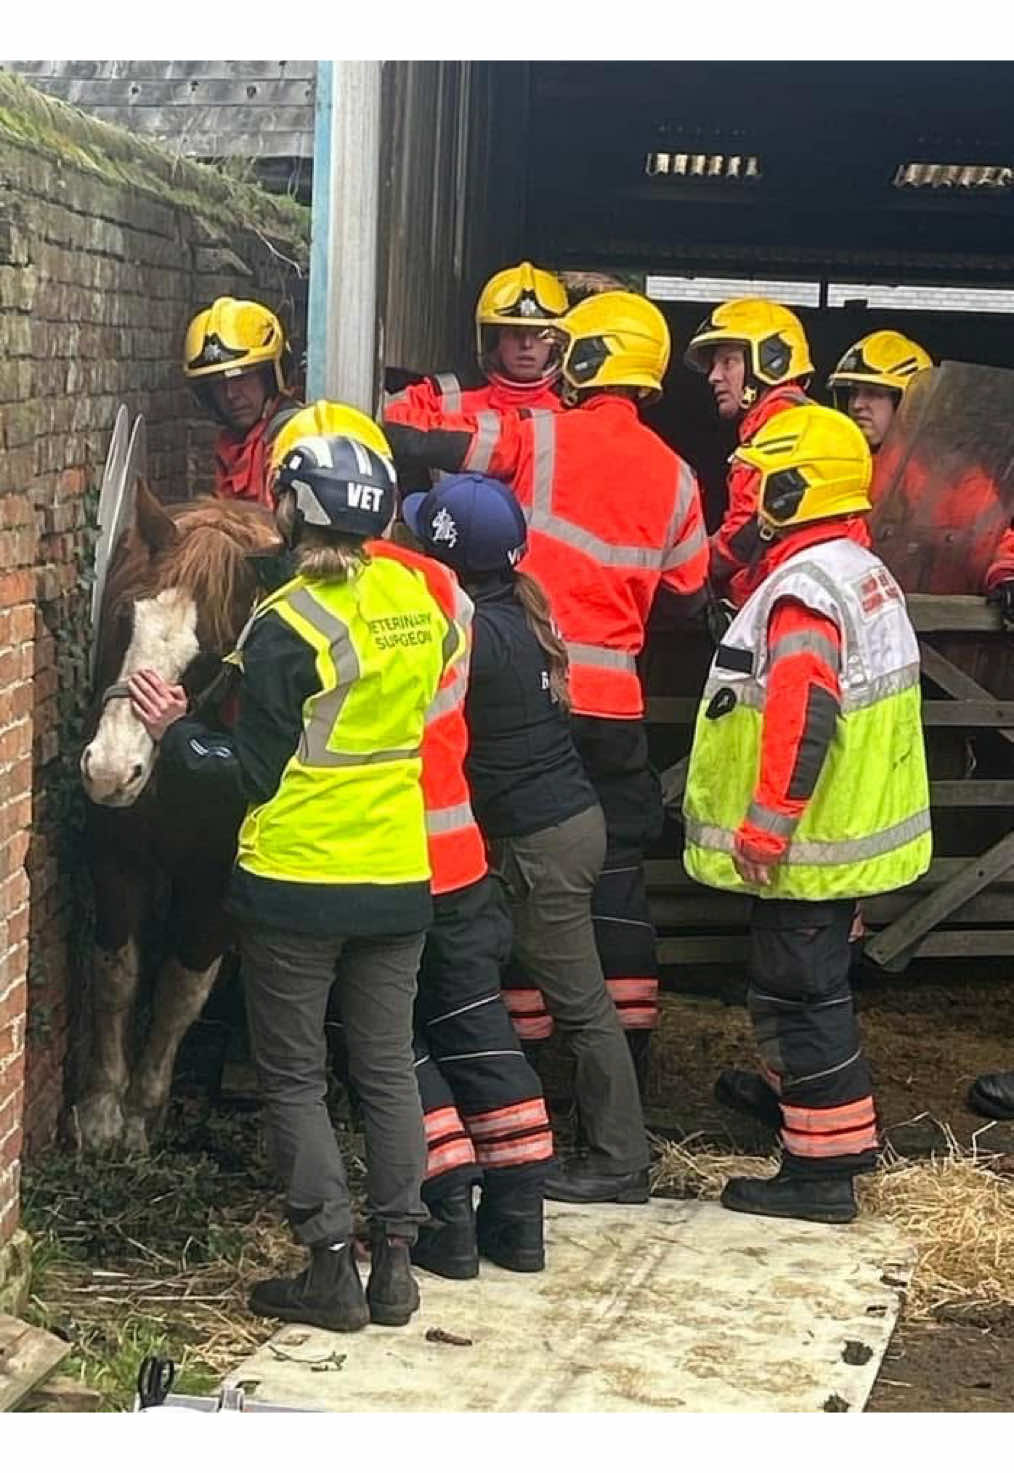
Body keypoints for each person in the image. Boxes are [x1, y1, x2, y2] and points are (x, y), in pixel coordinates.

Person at [126, 425, 467, 1332]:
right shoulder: (415, 597)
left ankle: (328, 1267)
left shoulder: (284, 630)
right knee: (387, 1066)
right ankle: (395, 1264)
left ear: (288, 510)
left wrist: (173, 729)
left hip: (298, 882)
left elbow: (243, 770)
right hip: (398, 873)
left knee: (295, 1077)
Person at [383, 290, 710, 1161]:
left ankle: (532, 1084)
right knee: (614, 889)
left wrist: (386, 421)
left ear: (587, 359)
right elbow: (686, 597)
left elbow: (439, 444)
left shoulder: (545, 436)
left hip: (535, 695)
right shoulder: (679, 474)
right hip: (620, 716)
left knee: (520, 888)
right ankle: (628, 1067)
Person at [266, 400, 554, 1281]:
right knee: (479, 1030)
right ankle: (519, 1219)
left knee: (388, 1047)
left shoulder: (329, 598)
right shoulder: (438, 591)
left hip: (385, 852)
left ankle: (447, 1217)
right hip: (460, 850)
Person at [681, 403, 932, 1223]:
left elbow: (804, 714)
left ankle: (822, 1169)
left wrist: (766, 823)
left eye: (758, 480)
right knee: (805, 987)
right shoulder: (859, 570)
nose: (747, 495)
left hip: (806, 842)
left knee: (800, 994)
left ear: (793, 488)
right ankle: (803, 1111)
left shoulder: (803, 589)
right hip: (843, 836)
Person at [403, 473, 651, 1203]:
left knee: (580, 1003)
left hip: (543, 846)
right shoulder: (516, 609)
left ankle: (620, 1160)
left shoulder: (473, 634)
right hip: (563, 828)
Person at [684, 298, 814, 608]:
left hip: (783, 602)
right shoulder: (797, 422)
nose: (713, 376)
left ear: (769, 361)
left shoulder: (782, 431)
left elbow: (744, 535)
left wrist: (691, 563)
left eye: (728, 362)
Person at [384, 261, 568, 428]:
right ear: (496, 340)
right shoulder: (448, 393)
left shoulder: (573, 409)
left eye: (539, 335)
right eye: (514, 333)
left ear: (557, 342)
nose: (526, 344)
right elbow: (388, 413)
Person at [183, 295, 297, 506]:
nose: (230, 394)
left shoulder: (293, 440)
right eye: (218, 385)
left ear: (270, 378)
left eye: (241, 378)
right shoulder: (231, 447)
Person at [826, 330, 933, 453]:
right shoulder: (836, 463)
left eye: (872, 393)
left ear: (911, 404)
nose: (856, 405)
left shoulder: (940, 468)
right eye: (853, 392)